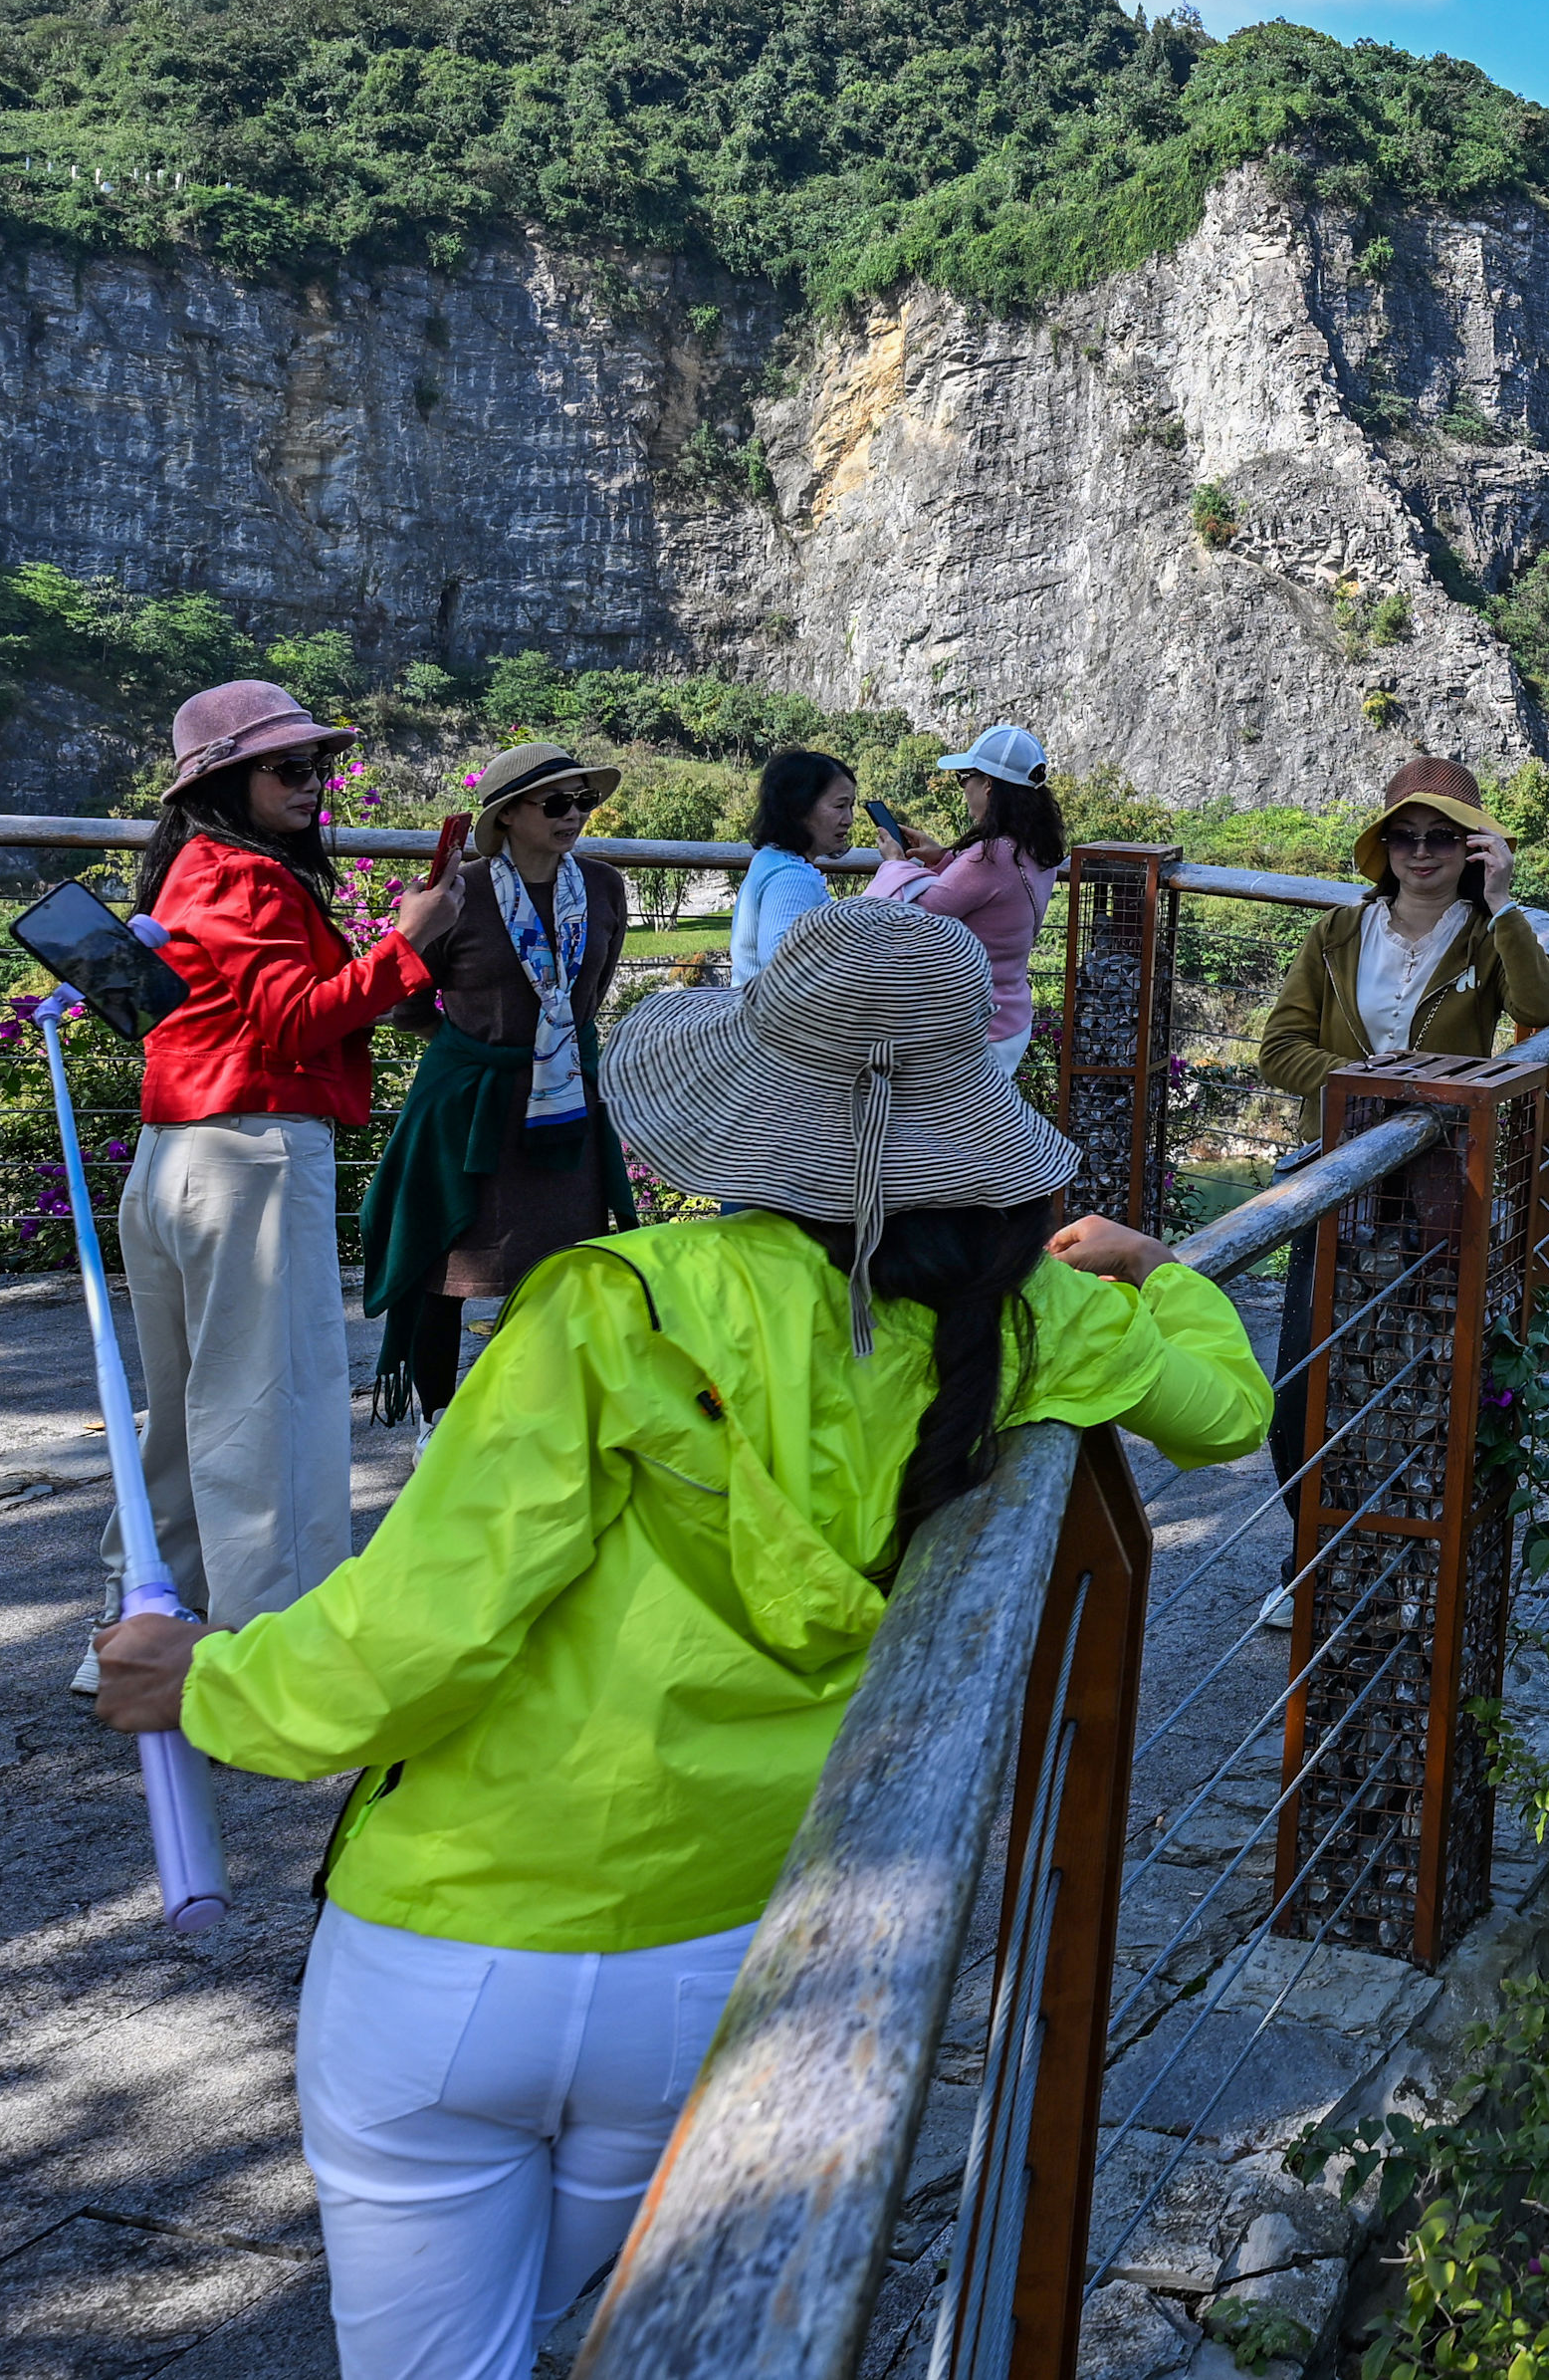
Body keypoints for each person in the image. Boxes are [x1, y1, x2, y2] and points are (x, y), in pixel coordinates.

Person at [90, 898, 1271, 2380]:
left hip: (455, 1941)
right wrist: (1157, 1268)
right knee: (576, 2321)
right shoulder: (1032, 1318)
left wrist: (204, 1681)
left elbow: (415, 1639)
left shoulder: (622, 1303)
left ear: (757, 1106)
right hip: (725, 1949)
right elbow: (1228, 1414)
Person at [85, 681, 465, 1691]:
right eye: (287, 768)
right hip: (250, 1154)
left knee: (182, 1417)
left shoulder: (188, 870)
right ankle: (284, 1666)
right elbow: (295, 1021)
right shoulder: (246, 877)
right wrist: (412, 941)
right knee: (272, 1410)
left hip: (174, 1154)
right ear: (224, 782)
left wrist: (389, 966)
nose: (313, 783)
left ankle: (139, 1637)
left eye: (317, 765)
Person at [1248, 757, 1549, 1624]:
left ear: (1473, 848)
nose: (1422, 851)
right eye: (1406, 835)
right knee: (1306, 1382)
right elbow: (1280, 1048)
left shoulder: (1485, 935)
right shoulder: (1337, 933)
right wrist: (1370, 1084)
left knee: (1420, 1381)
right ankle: (1308, 1559)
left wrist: (1504, 902)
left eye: (1444, 837)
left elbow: (1545, 1009)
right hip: (1338, 1182)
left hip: (1438, 1191)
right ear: (1384, 846)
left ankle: (1403, 1567)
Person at [364, 744, 639, 1427]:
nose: (574, 815)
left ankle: (544, 1420)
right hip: (470, 1104)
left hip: (564, 1105)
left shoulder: (603, 887)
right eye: (557, 803)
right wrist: (482, 1047)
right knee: (446, 1267)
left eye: (583, 801)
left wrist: (546, 1049)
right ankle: (436, 1423)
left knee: (561, 1266)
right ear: (508, 815)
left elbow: (589, 995)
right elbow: (408, 1002)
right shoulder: (459, 893)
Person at [871, 723, 1059, 1093]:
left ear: (988, 784)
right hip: (1009, 1018)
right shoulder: (1036, 848)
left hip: (974, 1030)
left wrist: (894, 863)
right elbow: (989, 897)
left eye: (963, 779)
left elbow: (915, 918)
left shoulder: (989, 856)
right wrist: (944, 858)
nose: (963, 789)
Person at [732, 749, 857, 985]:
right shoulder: (791, 876)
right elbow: (781, 964)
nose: (849, 819)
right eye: (840, 806)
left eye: (851, 806)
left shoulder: (770, 858)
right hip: (771, 1010)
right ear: (800, 808)